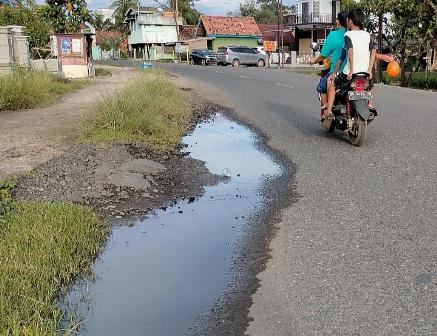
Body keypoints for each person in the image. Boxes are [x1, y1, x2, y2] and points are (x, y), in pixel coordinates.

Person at [324, 8, 377, 129]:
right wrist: (369, 70)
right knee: (369, 85)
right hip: (364, 74)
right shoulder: (367, 35)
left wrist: (349, 70)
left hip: (350, 73)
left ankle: (329, 111)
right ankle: (370, 104)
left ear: (350, 21)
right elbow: (373, 51)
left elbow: (350, 51)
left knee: (332, 83)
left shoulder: (348, 34)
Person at [309, 10, 349, 114]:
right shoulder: (352, 34)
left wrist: (313, 61)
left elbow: (323, 55)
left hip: (337, 72)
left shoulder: (333, 35)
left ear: (338, 22)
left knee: (322, 87)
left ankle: (326, 112)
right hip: (351, 72)